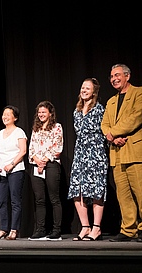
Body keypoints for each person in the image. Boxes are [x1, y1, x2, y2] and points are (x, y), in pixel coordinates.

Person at [101, 64, 142, 242]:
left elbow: (136, 117)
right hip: (117, 153)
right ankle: (128, 229)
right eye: (111, 76)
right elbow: (104, 125)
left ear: (127, 76)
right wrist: (111, 138)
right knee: (123, 195)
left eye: (117, 75)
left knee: (140, 192)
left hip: (134, 150)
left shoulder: (138, 93)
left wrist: (114, 132)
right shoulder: (110, 101)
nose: (114, 79)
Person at [68, 78, 108, 241]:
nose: (84, 90)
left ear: (94, 92)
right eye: (82, 87)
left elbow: (105, 130)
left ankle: (96, 228)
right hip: (80, 153)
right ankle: (85, 226)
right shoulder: (76, 111)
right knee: (77, 189)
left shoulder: (100, 109)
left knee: (96, 189)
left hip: (96, 152)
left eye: (87, 88)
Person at [28, 101, 63, 241]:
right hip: (36, 166)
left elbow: (57, 146)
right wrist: (37, 160)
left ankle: (56, 230)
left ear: (50, 113)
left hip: (51, 164)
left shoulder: (56, 127)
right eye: (39, 112)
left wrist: (44, 160)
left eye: (44, 112)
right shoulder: (36, 128)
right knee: (39, 200)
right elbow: (31, 148)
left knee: (54, 199)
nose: (41, 114)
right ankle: (40, 229)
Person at [0, 105, 27, 240]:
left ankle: (14, 229)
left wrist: (11, 164)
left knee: (15, 201)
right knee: (1, 201)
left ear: (15, 117)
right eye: (3, 114)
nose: (5, 117)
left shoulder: (19, 132)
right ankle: (3, 229)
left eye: (8, 114)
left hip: (15, 170)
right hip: (1, 171)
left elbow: (22, 151)